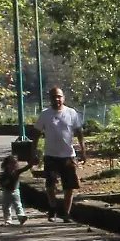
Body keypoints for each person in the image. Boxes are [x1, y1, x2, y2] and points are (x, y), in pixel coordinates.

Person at [35, 87, 85, 221]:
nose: (57, 99)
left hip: (68, 155)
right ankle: (52, 208)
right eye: (53, 97)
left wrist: (83, 150)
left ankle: (66, 213)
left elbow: (79, 132)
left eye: (59, 96)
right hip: (51, 155)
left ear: (63, 98)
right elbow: (36, 134)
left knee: (69, 187)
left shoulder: (71, 113)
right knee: (50, 185)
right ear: (50, 99)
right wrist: (33, 151)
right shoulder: (45, 114)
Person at [0, 150, 27, 224]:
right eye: (12, 164)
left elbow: (24, 169)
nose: (13, 166)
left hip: (15, 191)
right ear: (7, 165)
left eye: (15, 164)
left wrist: (31, 164)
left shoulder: (16, 172)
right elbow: (0, 182)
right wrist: (3, 185)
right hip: (6, 192)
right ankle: (7, 219)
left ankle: (21, 216)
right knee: (6, 206)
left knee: (18, 205)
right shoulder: (4, 174)